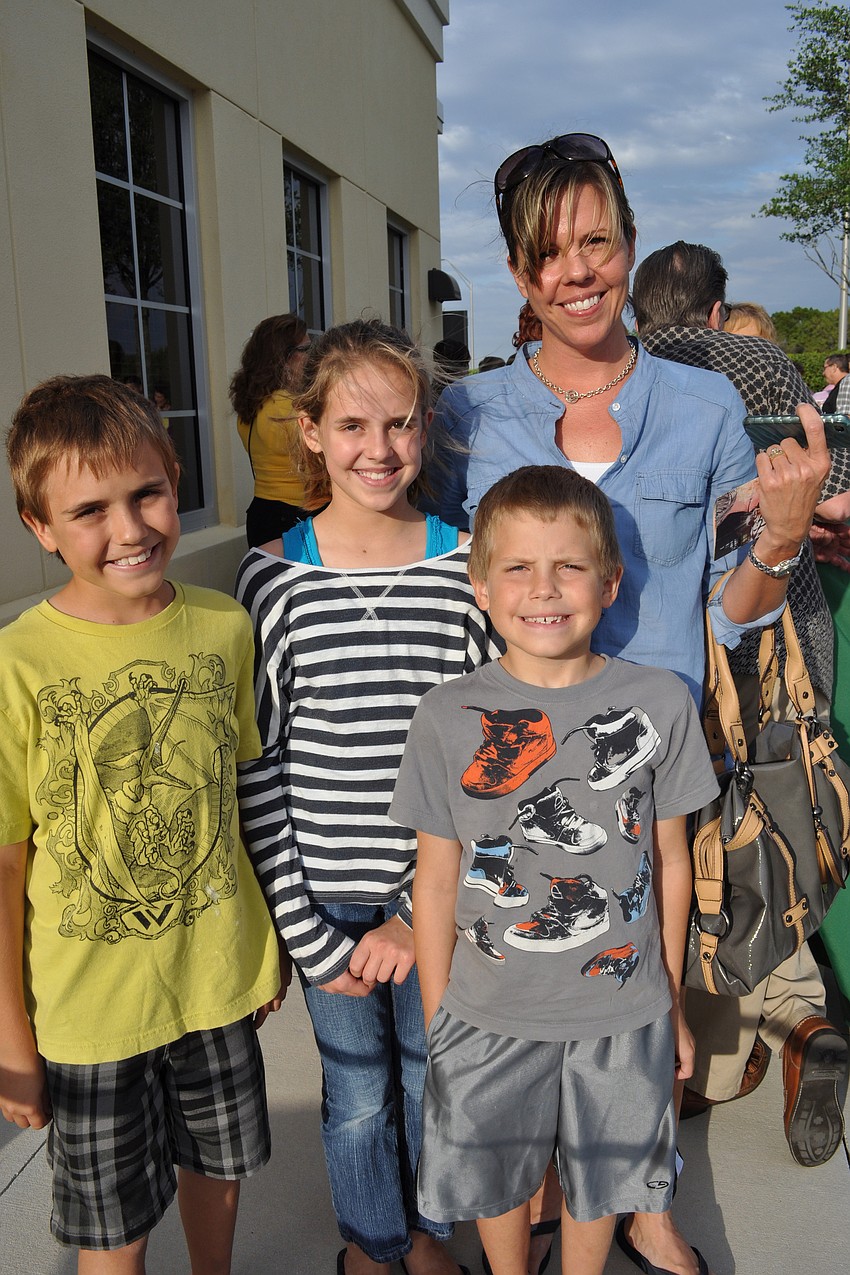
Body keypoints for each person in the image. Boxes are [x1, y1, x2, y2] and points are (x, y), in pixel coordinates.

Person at [432, 132, 829, 1275]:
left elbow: (729, 610)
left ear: (629, 246)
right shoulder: (466, 420)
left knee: (645, 991)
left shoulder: (702, 406)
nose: (577, 270)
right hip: (515, 771)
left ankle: (643, 1201)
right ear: (517, 275)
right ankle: (558, 1192)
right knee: (536, 988)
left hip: (654, 756)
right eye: (548, 252)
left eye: (595, 241)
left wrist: (788, 532)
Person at [390, 466, 721, 1275]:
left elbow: (669, 861)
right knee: (497, 1175)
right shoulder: (444, 716)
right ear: (480, 584)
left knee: (602, 1179)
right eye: (518, 567)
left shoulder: (661, 703)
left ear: (609, 583)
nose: (545, 588)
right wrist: (439, 1017)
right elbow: (434, 882)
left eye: (569, 566)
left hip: (623, 1009)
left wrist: (671, 1000)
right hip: (485, 1012)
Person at [0, 376, 284, 1274]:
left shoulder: (225, 627)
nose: (129, 529)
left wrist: (263, 945)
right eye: (89, 510)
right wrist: (13, 1034)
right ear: (40, 528)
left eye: (147, 493)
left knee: (220, 1169)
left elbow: (236, 804)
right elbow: (8, 865)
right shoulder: (17, 663)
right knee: (110, 1225)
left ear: (174, 473)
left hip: (214, 981)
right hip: (89, 1012)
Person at [235, 319, 492, 1275]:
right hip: (324, 901)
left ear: (426, 427)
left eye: (398, 424)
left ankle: (428, 1234)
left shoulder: (463, 567)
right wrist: (308, 930)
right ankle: (372, 1245)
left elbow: (487, 752)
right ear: (309, 430)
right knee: (357, 1095)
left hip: (436, 893)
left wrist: (426, 906)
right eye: (350, 425)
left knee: (435, 1079)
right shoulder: (272, 578)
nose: (376, 450)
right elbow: (260, 765)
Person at [632, 242, 850, 1163]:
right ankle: (800, 1018)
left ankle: (705, 1059)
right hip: (779, 631)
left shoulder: (633, 374)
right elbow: (831, 497)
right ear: (717, 310)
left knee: (686, 836)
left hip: (678, 638)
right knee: (774, 812)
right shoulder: (756, 363)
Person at [230, 313, 312, 547]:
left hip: (261, 512)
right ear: (286, 358)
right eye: (306, 350)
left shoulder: (253, 405)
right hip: (296, 517)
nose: (312, 357)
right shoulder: (289, 408)